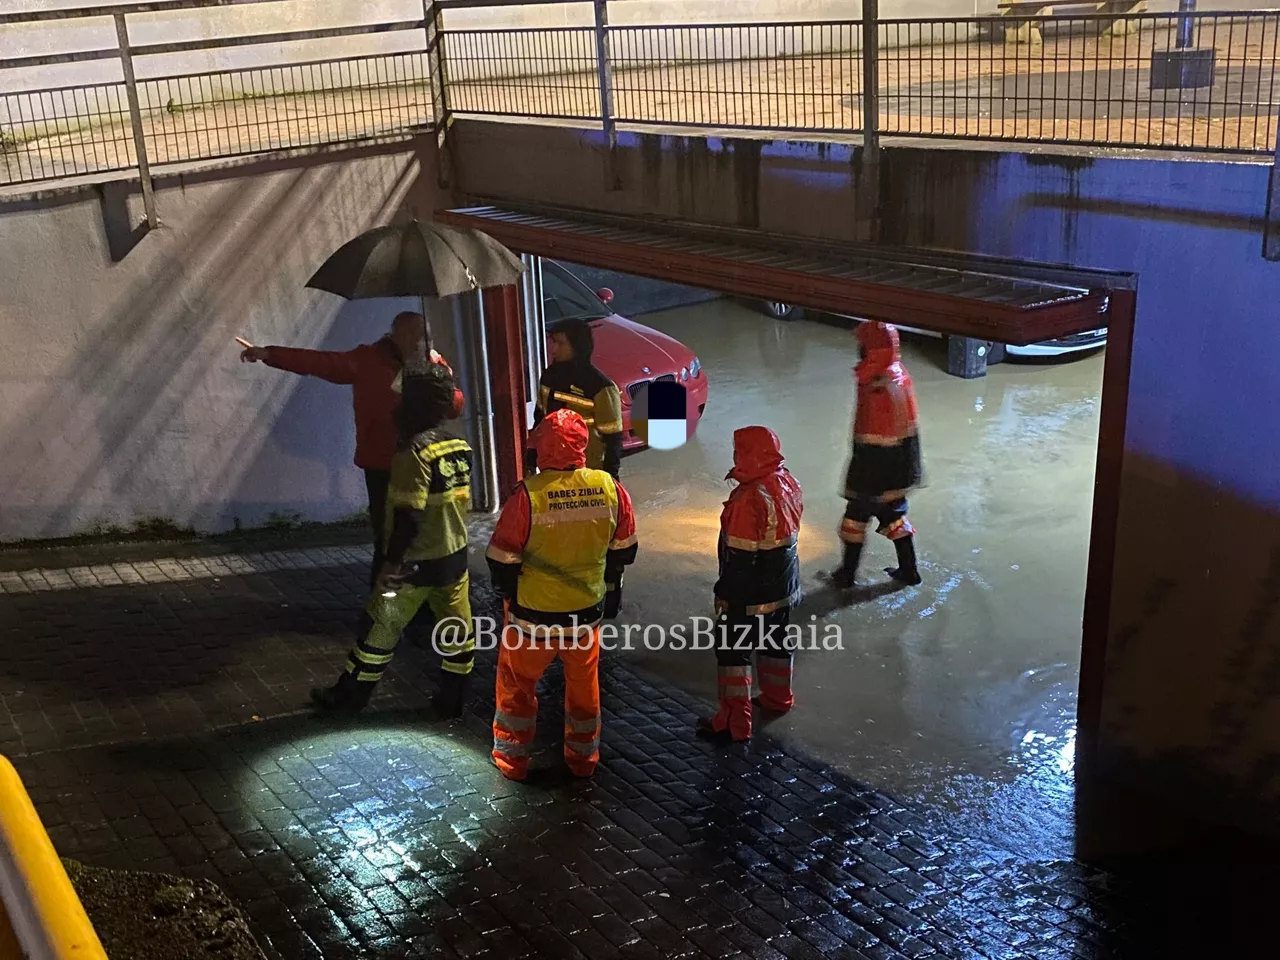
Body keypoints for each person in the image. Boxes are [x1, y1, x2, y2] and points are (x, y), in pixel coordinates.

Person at [241, 311, 464, 586]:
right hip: (383, 462)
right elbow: (321, 363)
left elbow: (455, 407)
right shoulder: (369, 360)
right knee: (388, 536)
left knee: (424, 532)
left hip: (423, 461)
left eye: (426, 336)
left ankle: (420, 593)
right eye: (418, 335)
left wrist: (440, 378)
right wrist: (270, 354)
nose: (424, 342)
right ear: (399, 335)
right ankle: (384, 597)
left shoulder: (433, 363)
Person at [311, 365, 475, 717]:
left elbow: (409, 517)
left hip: (412, 567)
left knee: (379, 630)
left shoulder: (413, 453)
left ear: (413, 405)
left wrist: (390, 563)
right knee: (458, 634)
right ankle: (452, 702)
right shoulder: (459, 446)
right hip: (454, 559)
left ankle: (349, 699)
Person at [487, 409, 638, 781]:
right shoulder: (609, 487)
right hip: (585, 615)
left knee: (517, 686)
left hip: (531, 618)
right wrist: (608, 586)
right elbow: (625, 550)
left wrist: (509, 596)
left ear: (542, 449)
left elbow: (501, 560)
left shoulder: (528, 495)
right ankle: (583, 760)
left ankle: (512, 760)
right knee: (584, 688)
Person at [697, 426, 803, 743]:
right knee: (776, 642)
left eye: (738, 450)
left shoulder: (749, 498)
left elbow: (741, 560)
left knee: (732, 653)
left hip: (751, 594)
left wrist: (725, 595)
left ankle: (734, 724)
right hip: (784, 586)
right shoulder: (787, 481)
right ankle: (777, 699)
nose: (733, 455)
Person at [829, 321, 923, 589]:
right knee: (893, 517)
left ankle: (847, 575)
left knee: (854, 521)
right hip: (898, 469)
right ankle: (909, 571)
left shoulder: (878, 384)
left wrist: (860, 483)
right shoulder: (896, 373)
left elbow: (873, 437)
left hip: (875, 470)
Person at [526, 319, 624, 479]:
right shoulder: (549, 377)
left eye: (560, 343)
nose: (554, 349)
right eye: (554, 342)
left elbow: (613, 439)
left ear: (577, 346)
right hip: (552, 469)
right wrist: (531, 459)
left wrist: (611, 477)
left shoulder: (600, 386)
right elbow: (540, 421)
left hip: (589, 472)